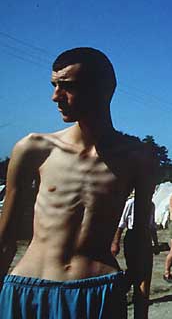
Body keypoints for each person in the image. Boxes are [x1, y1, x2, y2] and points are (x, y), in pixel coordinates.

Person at [0, 47, 155, 319]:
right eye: (54, 86)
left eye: (67, 87)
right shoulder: (34, 149)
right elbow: (5, 236)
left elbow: (139, 236)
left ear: (103, 90)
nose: (55, 97)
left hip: (97, 293)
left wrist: (141, 307)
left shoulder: (137, 157)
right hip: (29, 291)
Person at [111, 192, 160, 298]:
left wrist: (155, 243)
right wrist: (115, 243)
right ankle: (119, 292)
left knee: (145, 269)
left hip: (145, 237)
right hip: (132, 237)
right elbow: (121, 224)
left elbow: (152, 226)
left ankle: (140, 296)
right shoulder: (131, 203)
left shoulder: (151, 205)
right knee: (133, 269)